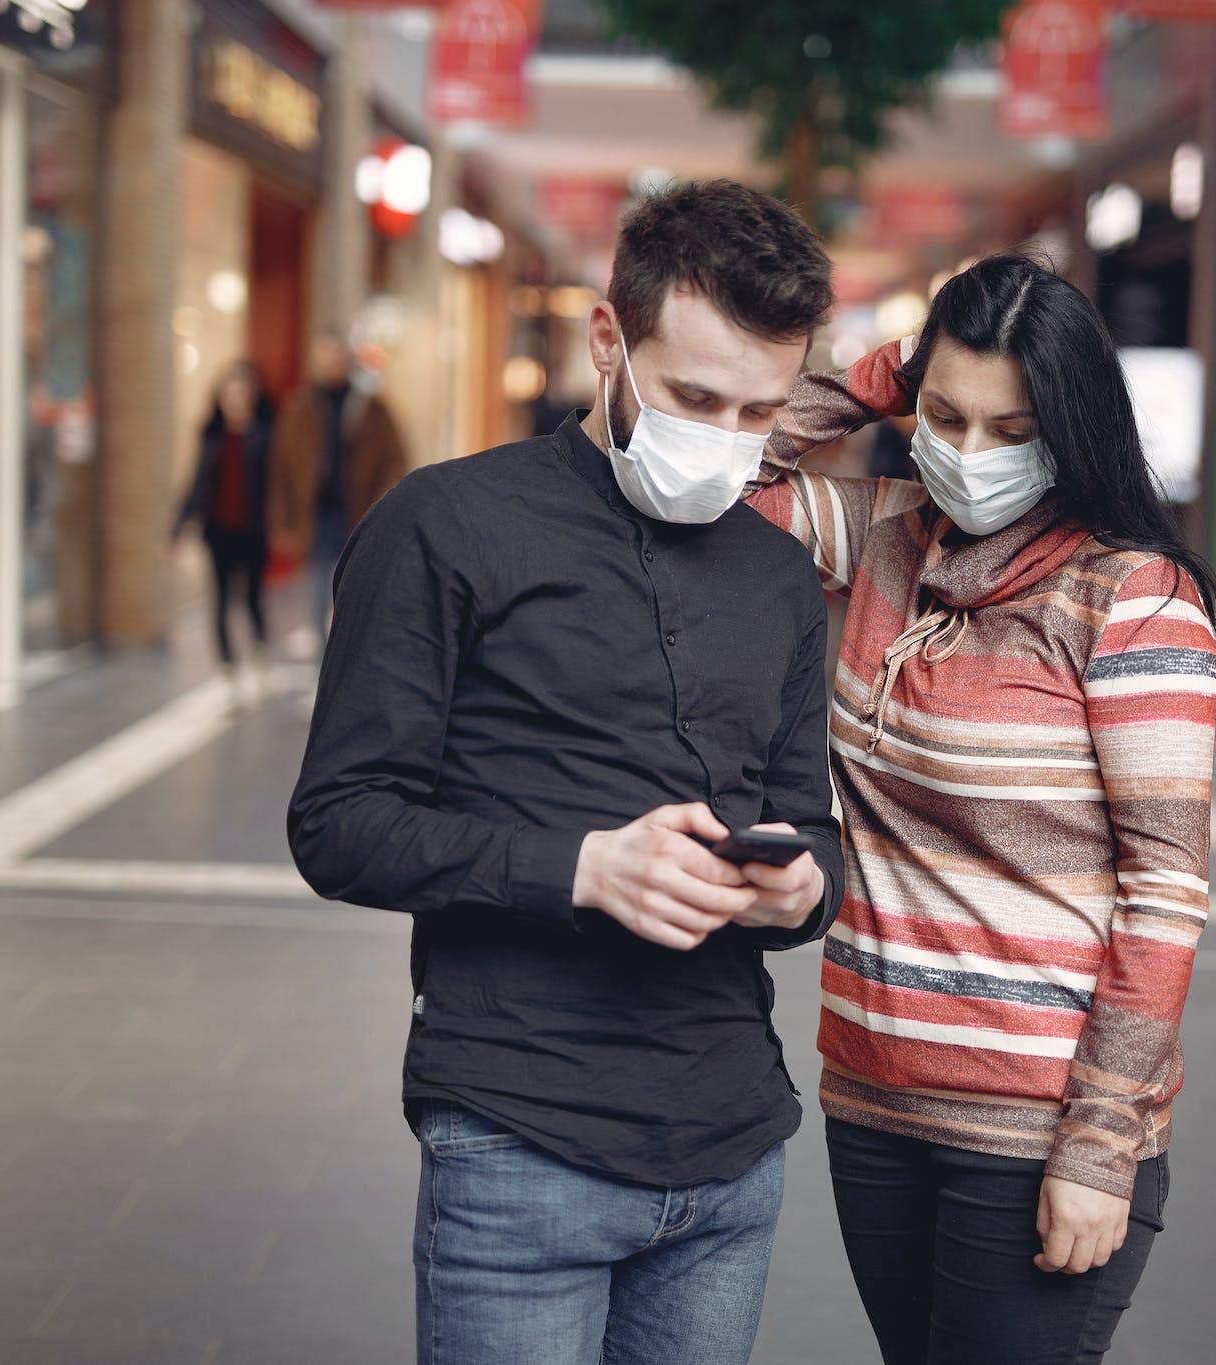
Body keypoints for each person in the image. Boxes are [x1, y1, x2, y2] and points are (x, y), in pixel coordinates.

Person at [287, 179, 845, 1365]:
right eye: (694, 396)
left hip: (732, 1148)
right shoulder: (442, 526)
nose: (726, 438)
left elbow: (808, 827)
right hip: (519, 1139)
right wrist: (582, 869)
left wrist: (804, 892)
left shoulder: (782, 578)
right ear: (607, 342)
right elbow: (339, 824)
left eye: (758, 411)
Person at [745, 253, 1216, 1363]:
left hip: (1034, 1123)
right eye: (945, 417)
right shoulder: (883, 536)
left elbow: (1164, 893)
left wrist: (1100, 1146)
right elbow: (730, 474)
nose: (967, 455)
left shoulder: (1130, 595)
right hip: (872, 1096)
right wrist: (886, 368)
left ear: (1068, 424)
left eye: (1009, 429)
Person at [267, 333, 407, 642]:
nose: (331, 363)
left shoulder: (371, 409)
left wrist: (383, 505)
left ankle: (349, 659)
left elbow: (395, 460)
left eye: (338, 356)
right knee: (316, 595)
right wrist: (282, 521)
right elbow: (281, 471)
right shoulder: (299, 408)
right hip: (315, 516)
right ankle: (324, 663)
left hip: (357, 514)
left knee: (354, 593)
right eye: (325, 356)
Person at [175, 361, 271, 685]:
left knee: (252, 596)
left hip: (253, 529)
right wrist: (180, 524)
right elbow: (198, 482)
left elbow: (276, 484)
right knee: (220, 597)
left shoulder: (263, 435)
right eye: (229, 394)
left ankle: (259, 647)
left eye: (241, 393)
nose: (235, 400)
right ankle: (227, 664)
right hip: (218, 529)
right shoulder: (211, 435)